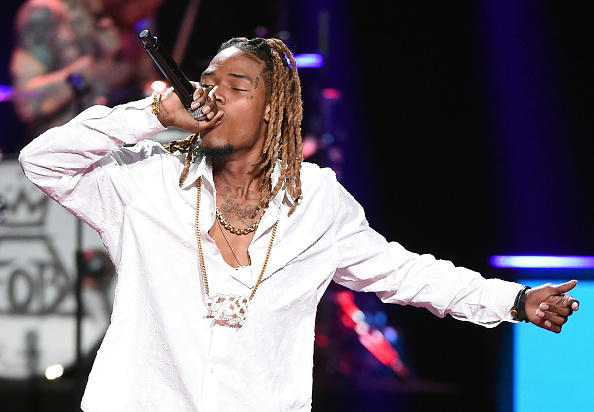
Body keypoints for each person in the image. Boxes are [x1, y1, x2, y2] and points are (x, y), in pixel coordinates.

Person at [19, 37, 579, 411]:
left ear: (273, 109)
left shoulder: (317, 202)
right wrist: (148, 116)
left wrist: (513, 300)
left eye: (235, 88)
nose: (212, 96)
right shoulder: (145, 182)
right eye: (207, 84)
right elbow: (42, 160)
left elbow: (404, 273)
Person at [9, 0, 164, 139]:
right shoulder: (46, 11)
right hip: (64, 153)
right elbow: (26, 103)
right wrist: (92, 67)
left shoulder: (134, 20)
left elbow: (148, 89)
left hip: (121, 146)